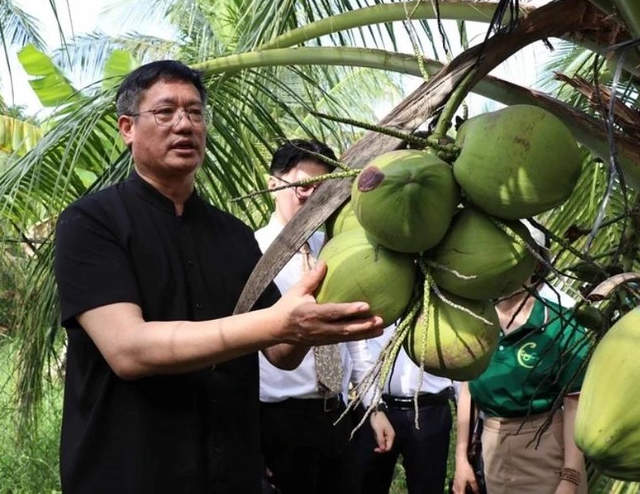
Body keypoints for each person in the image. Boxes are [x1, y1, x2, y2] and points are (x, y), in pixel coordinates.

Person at [53, 60, 385, 494]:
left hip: (231, 474)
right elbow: (129, 351)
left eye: (194, 113)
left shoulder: (232, 235)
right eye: (165, 112)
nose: (184, 124)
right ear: (127, 128)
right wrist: (277, 323)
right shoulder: (92, 223)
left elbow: (282, 352)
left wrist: (326, 301)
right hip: (128, 472)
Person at [255, 139, 395, 494]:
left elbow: (353, 338)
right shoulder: (251, 252)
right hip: (278, 419)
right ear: (274, 183)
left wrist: (372, 407)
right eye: (303, 184)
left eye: (323, 188)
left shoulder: (337, 247)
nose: (312, 195)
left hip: (340, 414)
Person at [451, 225, 591, 494]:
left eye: (517, 256)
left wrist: (570, 478)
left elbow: (575, 403)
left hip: (545, 447)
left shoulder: (561, 323)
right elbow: (468, 389)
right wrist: (461, 459)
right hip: (491, 447)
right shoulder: (475, 320)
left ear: (537, 265)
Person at [354, 326, 457, 494]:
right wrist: (372, 403)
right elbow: (357, 348)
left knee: (428, 486)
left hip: (429, 410)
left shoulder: (439, 301)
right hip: (377, 408)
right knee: (367, 483)